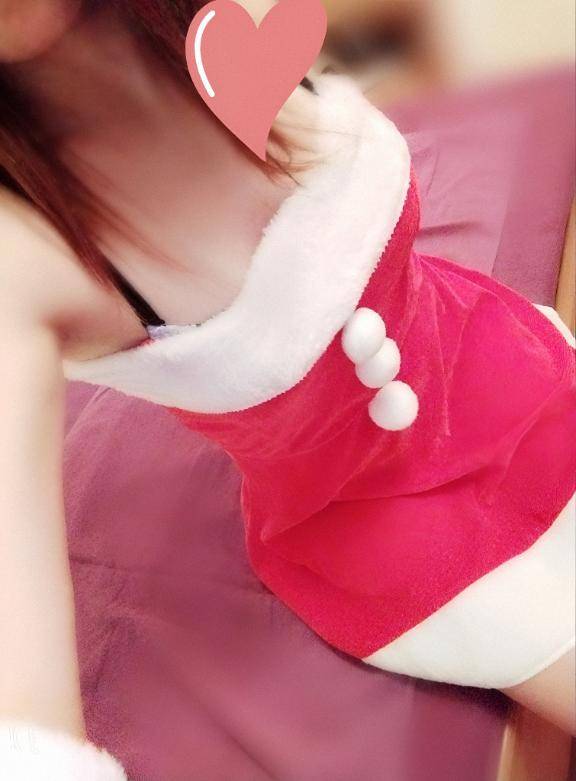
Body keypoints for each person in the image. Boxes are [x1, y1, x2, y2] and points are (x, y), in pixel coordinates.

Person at [0, 1, 574, 776]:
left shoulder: (197, 31)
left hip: (504, 355)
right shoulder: (19, 261)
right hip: (407, 527)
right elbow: (27, 735)